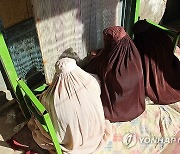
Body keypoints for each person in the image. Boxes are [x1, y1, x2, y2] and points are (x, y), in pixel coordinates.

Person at [28, 57, 112, 154]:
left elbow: (41, 104)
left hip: (71, 143)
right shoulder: (91, 82)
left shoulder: (50, 99)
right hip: (95, 135)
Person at [85, 26, 145, 122]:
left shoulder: (106, 66)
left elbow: (91, 70)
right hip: (137, 106)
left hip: (115, 110)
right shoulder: (134, 55)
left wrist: (94, 58)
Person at [133, 20, 180, 104]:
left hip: (154, 79)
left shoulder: (140, 45)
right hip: (169, 73)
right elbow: (172, 58)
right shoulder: (164, 38)